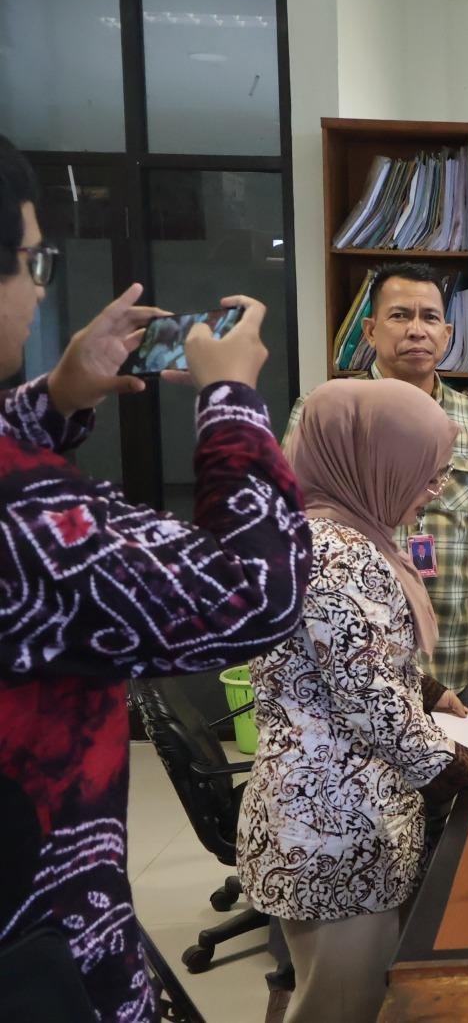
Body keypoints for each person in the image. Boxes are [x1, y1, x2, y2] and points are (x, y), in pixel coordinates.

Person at [0, 135, 311, 1023]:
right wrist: (231, 398)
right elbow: (257, 594)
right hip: (36, 944)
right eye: (34, 262)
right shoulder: (29, 512)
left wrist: (59, 396)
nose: (40, 290)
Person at [237, 378, 468, 1023]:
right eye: (425, 474)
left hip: (321, 813)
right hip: (334, 826)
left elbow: (343, 657)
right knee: (344, 1006)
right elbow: (368, 696)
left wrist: (427, 689)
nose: (433, 492)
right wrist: (464, 765)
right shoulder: (338, 554)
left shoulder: (324, 533)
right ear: (368, 462)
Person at [286, 263, 468, 710]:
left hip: (451, 646)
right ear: (370, 330)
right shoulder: (327, 413)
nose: (417, 329)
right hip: (352, 647)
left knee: (451, 752)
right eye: (400, 315)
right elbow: (292, 523)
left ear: (447, 334)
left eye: (430, 317)